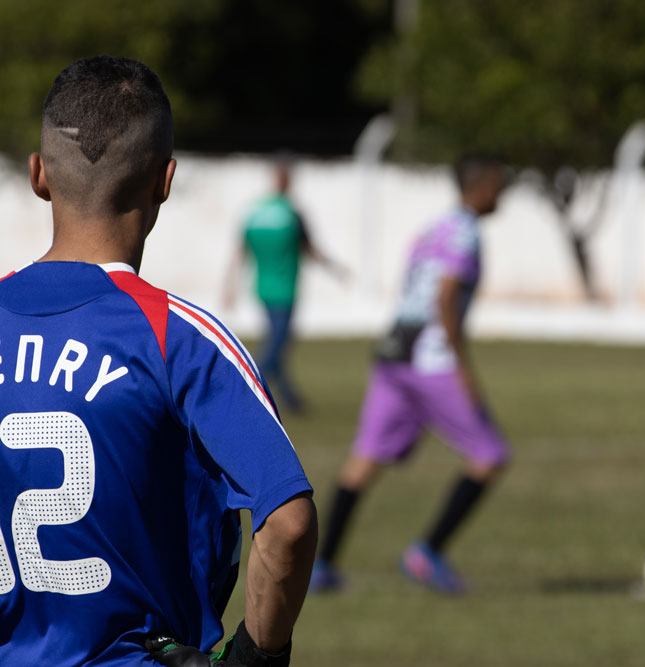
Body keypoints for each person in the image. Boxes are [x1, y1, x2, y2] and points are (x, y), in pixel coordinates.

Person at [0, 56, 317, 666]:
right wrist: (256, 656)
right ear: (164, 181)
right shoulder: (180, 337)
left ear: (38, 176)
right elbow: (288, 522)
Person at [310, 153, 510, 595]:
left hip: (394, 353)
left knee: (364, 461)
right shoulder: (466, 234)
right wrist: (462, 365)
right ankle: (427, 553)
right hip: (430, 359)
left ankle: (321, 565)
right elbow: (445, 294)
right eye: (499, 182)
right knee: (490, 455)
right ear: (480, 185)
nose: (504, 190)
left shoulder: (434, 228)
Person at [225, 160, 349, 412]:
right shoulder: (292, 213)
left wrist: (230, 286)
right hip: (285, 289)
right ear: (288, 181)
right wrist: (335, 268)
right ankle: (244, 388)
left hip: (262, 289)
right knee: (277, 345)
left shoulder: (256, 212)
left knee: (277, 342)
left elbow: (240, 251)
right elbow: (310, 248)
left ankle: (292, 400)